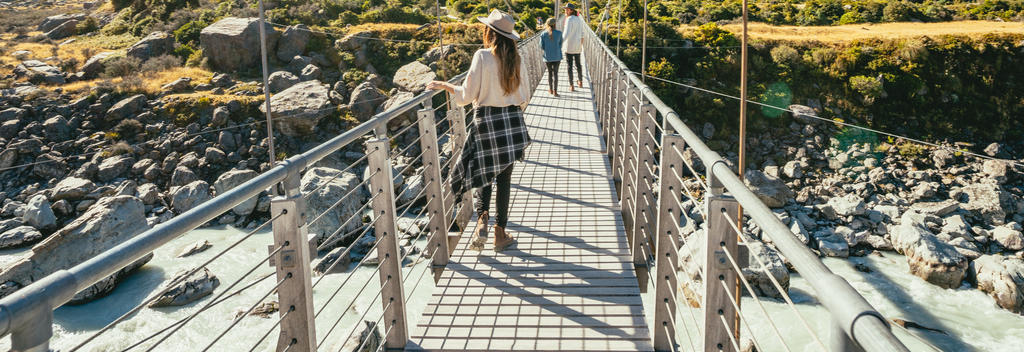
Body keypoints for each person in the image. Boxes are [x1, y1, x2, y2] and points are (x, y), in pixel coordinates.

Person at [427, 9, 531, 252]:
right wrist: (512, 110)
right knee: (504, 179)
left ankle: (482, 221)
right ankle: (500, 234)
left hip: (486, 121)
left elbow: (466, 96)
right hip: (512, 122)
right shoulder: (517, 59)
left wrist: (446, 85)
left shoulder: (482, 56)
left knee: (484, 174)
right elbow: (523, 95)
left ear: (489, 32)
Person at [562, 3, 585, 91]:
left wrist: (559, 43)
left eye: (567, 9)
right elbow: (583, 33)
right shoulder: (579, 19)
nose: (565, 11)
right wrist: (581, 44)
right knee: (578, 64)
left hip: (569, 46)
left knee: (569, 66)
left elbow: (566, 34)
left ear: (571, 10)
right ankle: (580, 81)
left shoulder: (569, 19)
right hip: (578, 45)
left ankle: (571, 85)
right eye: (565, 9)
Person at [540, 18, 563, 96]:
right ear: (555, 24)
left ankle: (550, 89)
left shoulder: (543, 34)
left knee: (550, 73)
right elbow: (560, 44)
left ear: (547, 24)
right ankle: (555, 91)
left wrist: (548, 49)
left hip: (548, 57)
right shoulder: (559, 33)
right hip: (557, 56)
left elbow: (541, 46)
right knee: (555, 73)